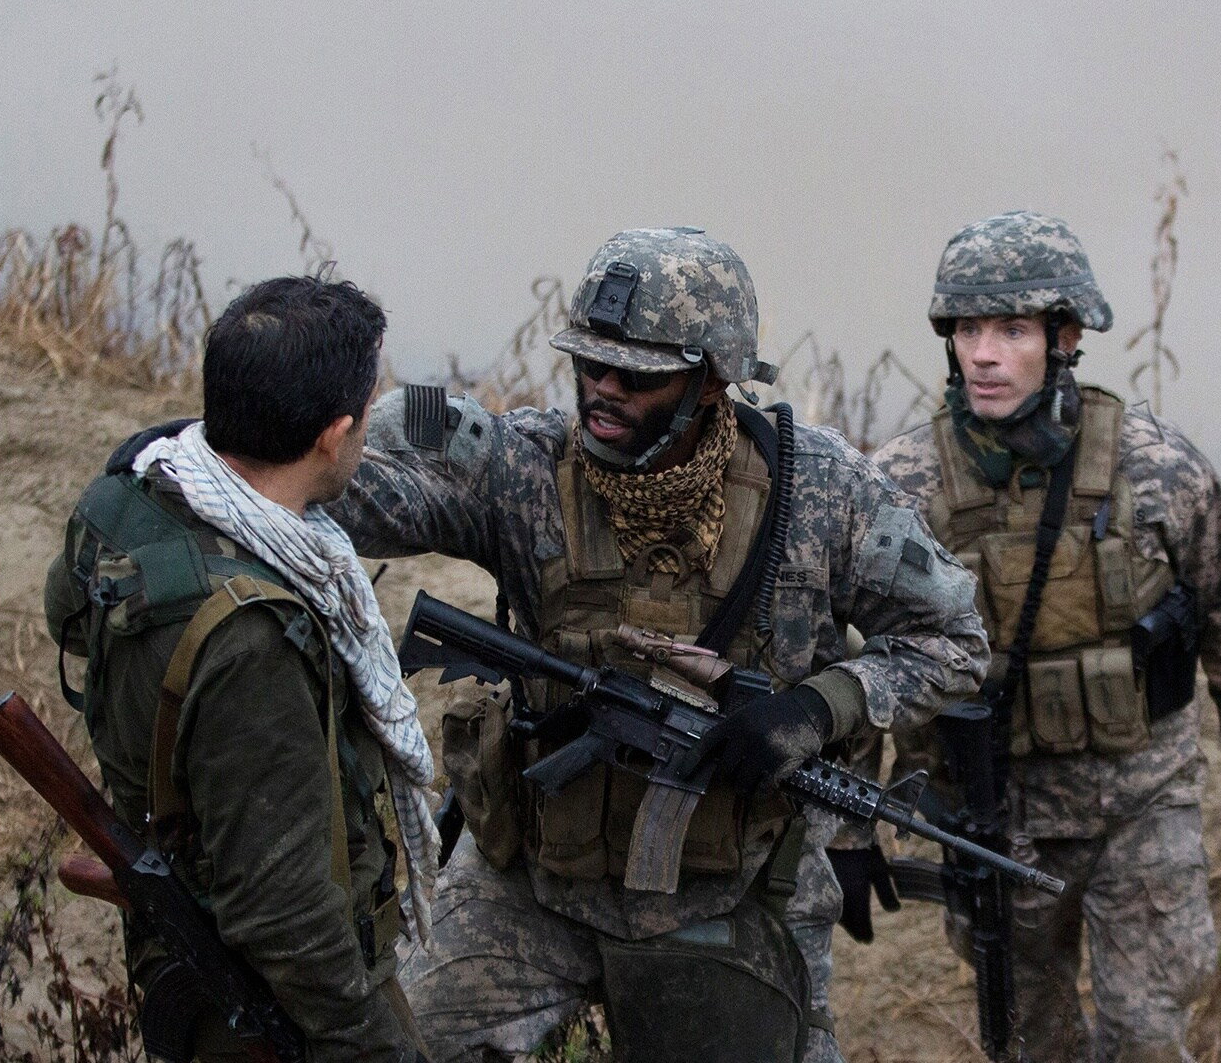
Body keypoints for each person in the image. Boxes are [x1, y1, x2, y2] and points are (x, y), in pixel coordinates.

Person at [328, 226, 988, 1063]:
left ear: (711, 381)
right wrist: (239, 443)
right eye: (589, 364)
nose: (602, 390)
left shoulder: (820, 491)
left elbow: (955, 639)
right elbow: (337, 497)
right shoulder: (526, 470)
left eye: (637, 377)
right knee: (392, 1047)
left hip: (736, 891)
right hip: (532, 883)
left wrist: (821, 708)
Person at [863, 210, 1221, 1062]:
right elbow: (864, 661)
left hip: (1140, 799)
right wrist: (849, 834)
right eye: (967, 329)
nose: (983, 354)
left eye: (1012, 330)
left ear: (1065, 338)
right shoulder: (900, 486)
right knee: (1030, 1040)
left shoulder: (1157, 468)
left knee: (1147, 1033)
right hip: (992, 814)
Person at [44, 276, 436, 1061]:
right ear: (334, 435)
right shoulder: (255, 640)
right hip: (260, 1002)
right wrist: (370, 1045)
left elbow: (68, 617)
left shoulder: (135, 497)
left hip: (182, 940)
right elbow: (283, 915)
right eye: (367, 411)